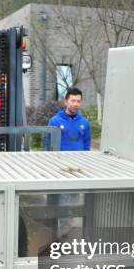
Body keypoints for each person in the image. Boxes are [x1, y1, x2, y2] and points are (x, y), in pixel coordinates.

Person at [46, 87, 91, 237]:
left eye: (78, 101)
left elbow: (86, 145)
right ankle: (61, 230)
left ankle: (69, 227)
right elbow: (49, 146)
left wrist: (84, 165)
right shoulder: (55, 121)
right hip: (61, 168)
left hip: (77, 169)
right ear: (66, 101)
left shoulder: (84, 123)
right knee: (61, 200)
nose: (76, 104)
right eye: (73, 101)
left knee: (74, 199)